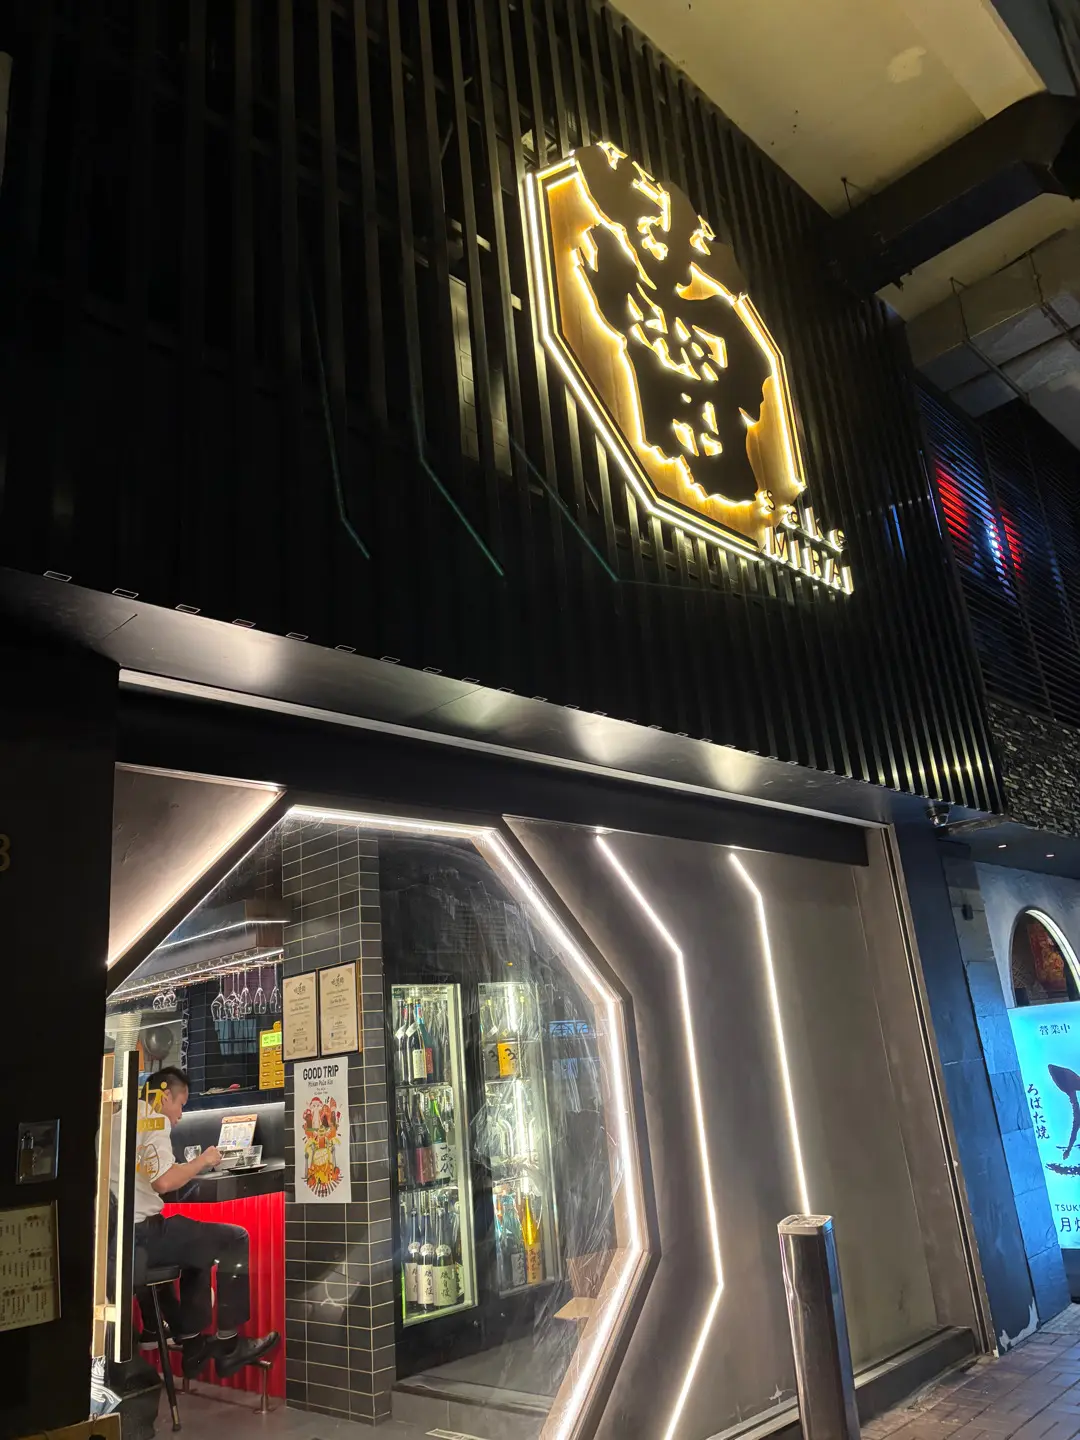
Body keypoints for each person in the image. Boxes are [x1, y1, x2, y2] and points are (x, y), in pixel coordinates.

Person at [117, 1066, 279, 1380]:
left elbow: (149, 1174)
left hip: (119, 1240)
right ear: (165, 1095)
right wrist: (202, 1161)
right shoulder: (153, 1120)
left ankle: (192, 1345)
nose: (181, 1113)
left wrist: (184, 1167)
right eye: (181, 1104)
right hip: (144, 1236)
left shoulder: (119, 1118)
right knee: (234, 1238)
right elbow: (164, 1181)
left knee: (196, 1245)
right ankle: (230, 1345)